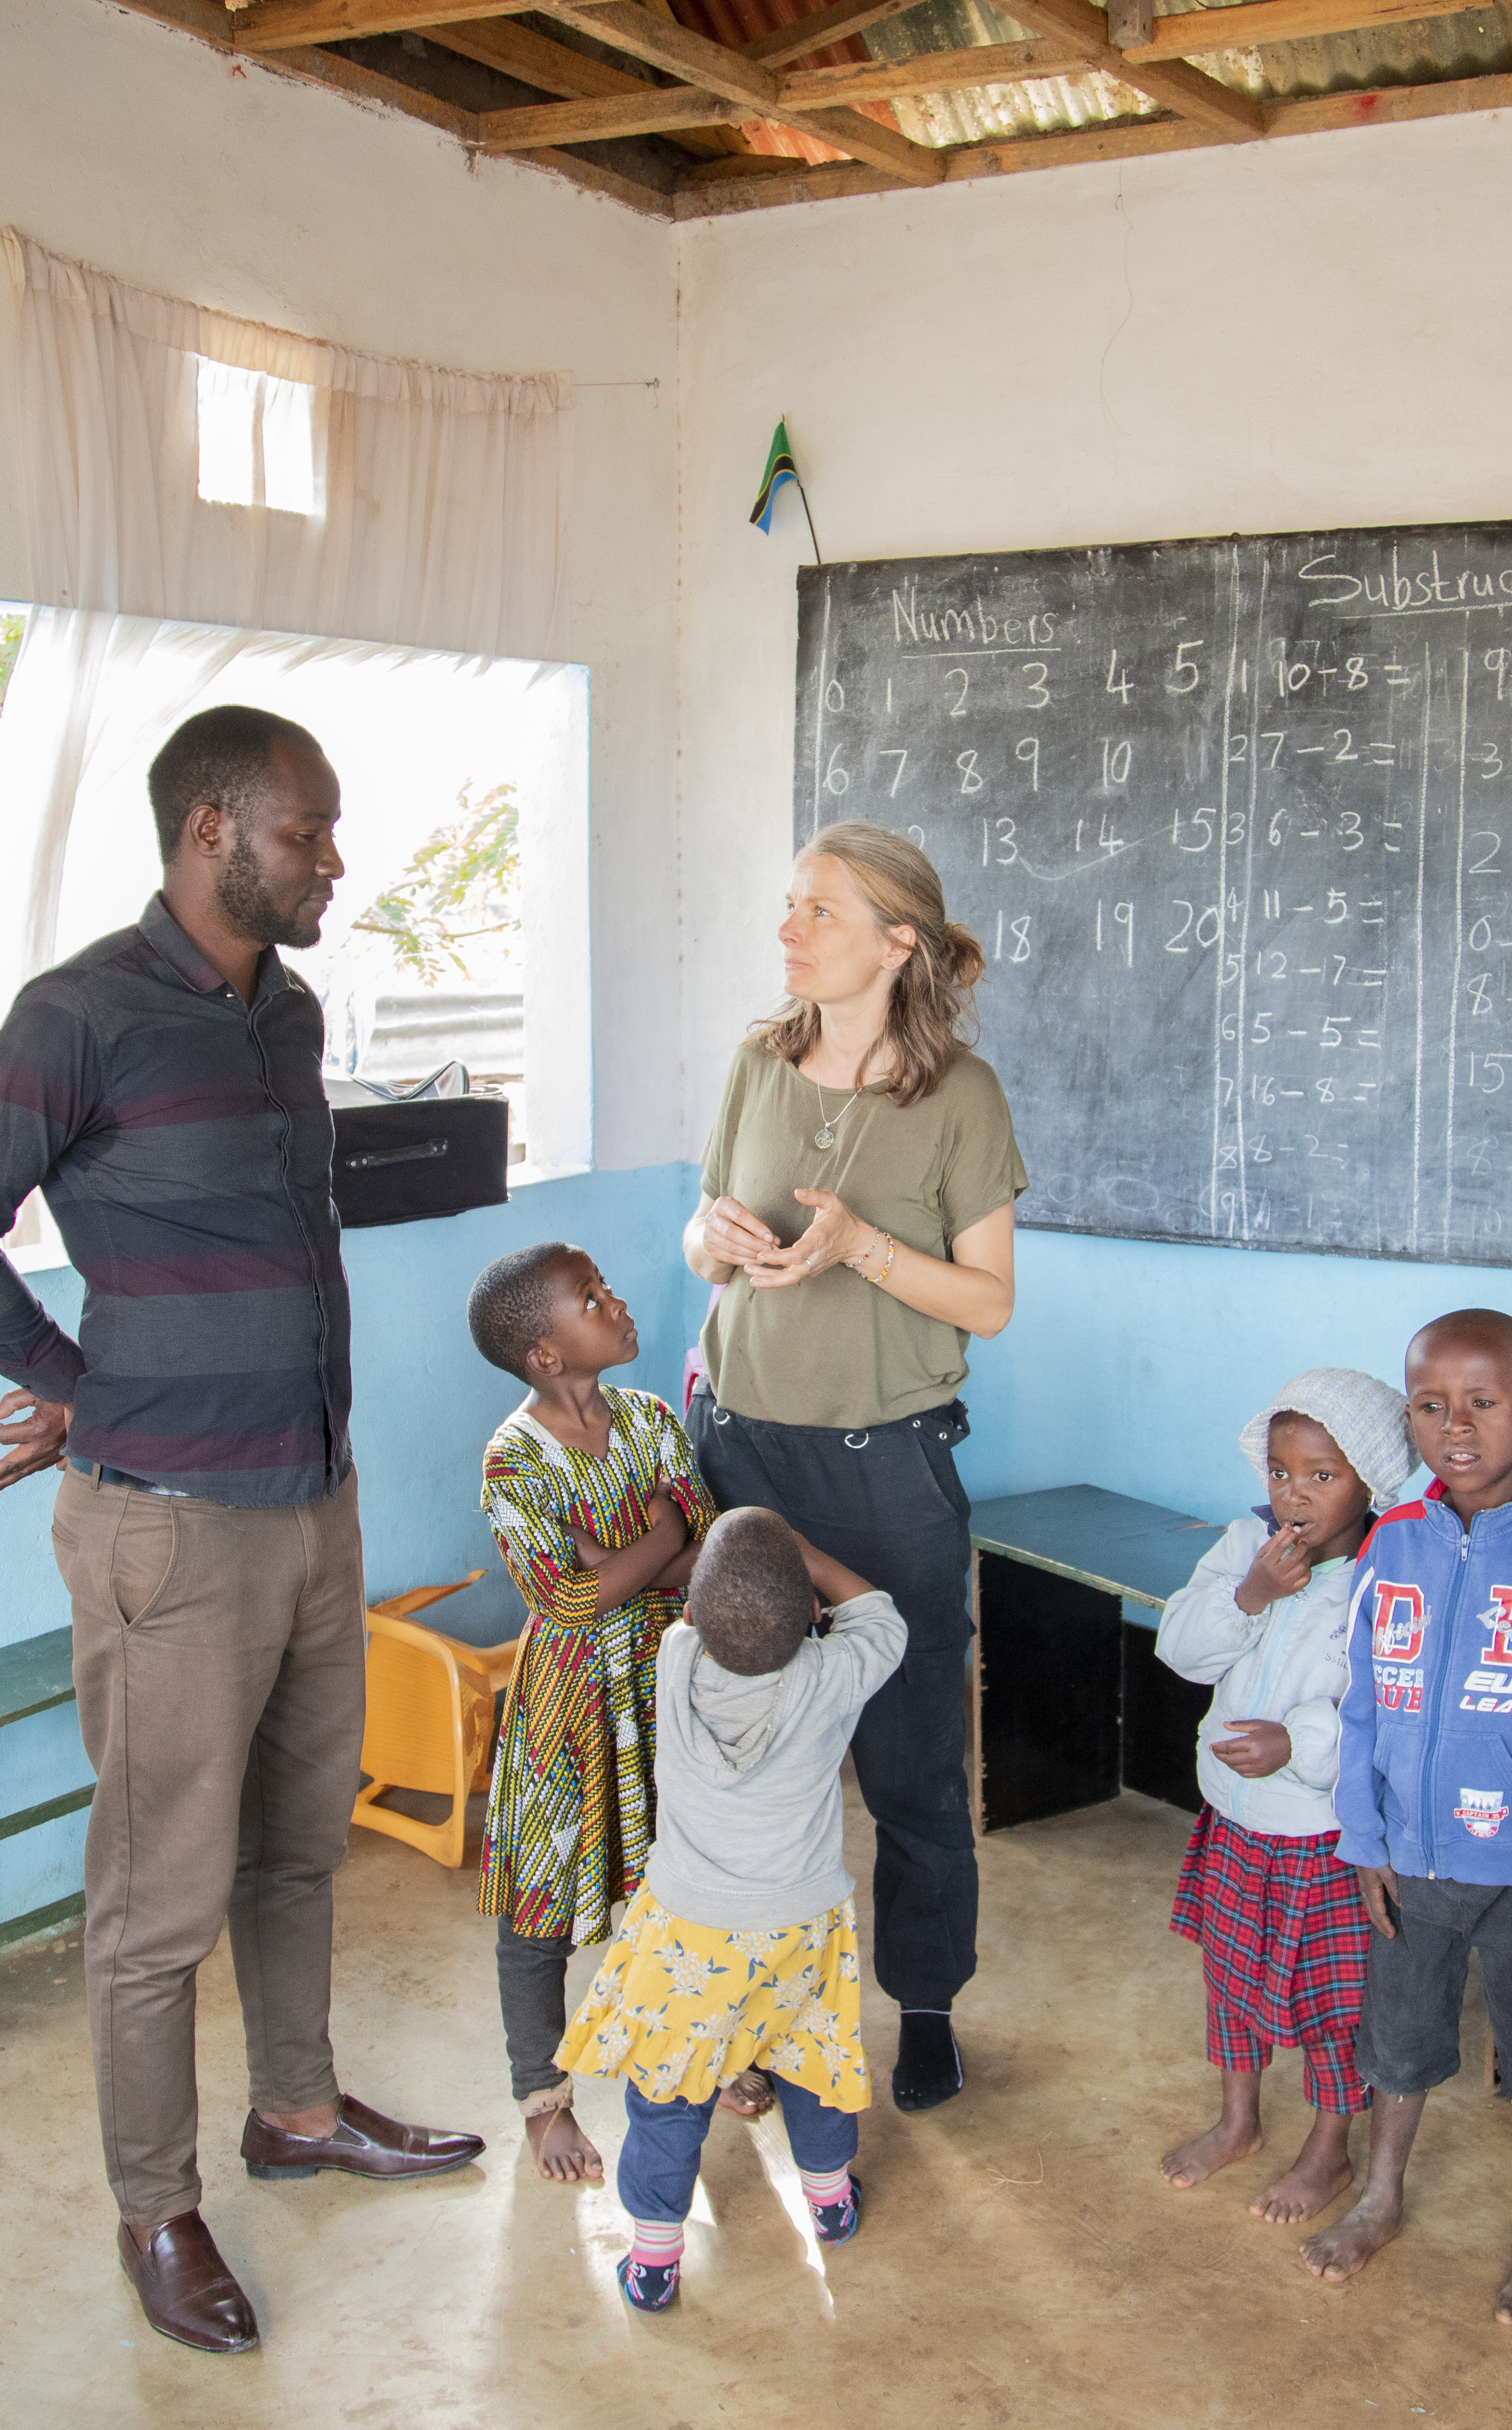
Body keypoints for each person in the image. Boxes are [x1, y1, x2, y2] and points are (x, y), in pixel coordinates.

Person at [0, 705, 480, 2358]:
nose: (332, 862)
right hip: (169, 1533)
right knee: (157, 1905)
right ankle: (156, 2206)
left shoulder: (280, 1014)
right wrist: (76, 1383)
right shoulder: (78, 1014)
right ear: (213, 831)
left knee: (300, 1846)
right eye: (308, 833)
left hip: (312, 1501)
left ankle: (296, 2108)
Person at [682, 822, 1024, 2114]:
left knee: (911, 1763)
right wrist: (710, 1235)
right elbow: (704, 1236)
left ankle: (925, 2006)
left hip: (887, 1472)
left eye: (817, 910)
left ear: (898, 942)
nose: (788, 931)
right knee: (752, 1760)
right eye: (786, 907)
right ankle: (759, 2016)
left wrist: (860, 1250)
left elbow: (987, 1304)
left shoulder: (962, 1099)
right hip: (743, 1455)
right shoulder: (757, 1062)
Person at [1303, 1310, 1512, 2326]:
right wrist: (1364, 1838)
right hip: (1410, 1859)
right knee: (1398, 2039)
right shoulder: (1390, 1545)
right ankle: (1381, 2194)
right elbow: (1358, 1704)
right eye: (1431, 1405)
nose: (1456, 1426)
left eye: (1483, 1404)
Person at [556, 1510, 904, 2312]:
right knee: (813, 2067)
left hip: (689, 1934)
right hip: (802, 1931)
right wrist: (812, 1554)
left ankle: (652, 2258)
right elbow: (881, 1616)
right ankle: (829, 2201)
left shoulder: (677, 1660)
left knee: (668, 2092)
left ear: (691, 1620)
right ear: (815, 1617)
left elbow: (704, 1619)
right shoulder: (831, 1676)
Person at [463, 1242, 715, 2185]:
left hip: (667, 1688)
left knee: (683, 1885)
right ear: (547, 1354)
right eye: (590, 1299)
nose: (615, 1305)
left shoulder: (652, 1419)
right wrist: (658, 1534)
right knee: (539, 1906)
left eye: (606, 1288)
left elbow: (707, 1548)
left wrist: (624, 1561)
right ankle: (544, 2098)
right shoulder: (512, 1461)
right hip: (567, 1707)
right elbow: (568, 1604)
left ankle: (706, 2056)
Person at [1152, 1367, 1414, 2224]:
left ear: (1372, 1479)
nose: (1292, 1494)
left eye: (1321, 1476)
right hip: (1234, 1816)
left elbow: (1383, 1708)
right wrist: (1252, 1593)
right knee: (1230, 1979)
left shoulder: (1386, 1577)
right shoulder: (1243, 1546)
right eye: (1278, 1471)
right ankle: (1238, 2122)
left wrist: (1299, 1743)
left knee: (1332, 2002)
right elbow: (1183, 1651)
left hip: (1319, 1834)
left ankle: (1329, 2149)